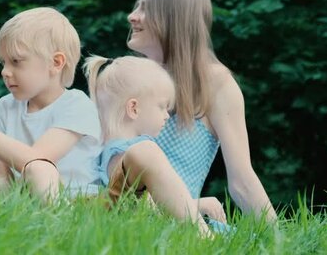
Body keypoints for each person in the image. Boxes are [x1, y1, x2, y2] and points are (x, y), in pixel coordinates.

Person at [125, 0, 277, 220]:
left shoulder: (217, 84)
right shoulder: (128, 79)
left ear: (173, 18)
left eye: (145, 9)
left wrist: (280, 243)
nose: (132, 16)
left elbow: (242, 181)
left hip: (180, 228)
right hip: (120, 220)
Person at [0, 7, 102, 201]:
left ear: (56, 63)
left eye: (16, 61)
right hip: (27, 196)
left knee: (39, 169)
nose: (5, 71)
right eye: (3, 62)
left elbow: (35, 160)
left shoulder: (76, 105)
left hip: (78, 200)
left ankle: (59, 219)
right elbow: (7, 183)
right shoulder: (6, 107)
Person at [84, 55, 224, 234]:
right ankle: (205, 239)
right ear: (133, 108)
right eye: (162, 107)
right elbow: (153, 214)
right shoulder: (131, 153)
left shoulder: (108, 151)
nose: (167, 116)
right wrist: (198, 205)